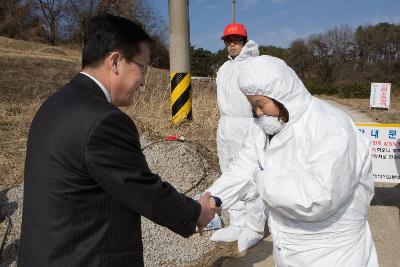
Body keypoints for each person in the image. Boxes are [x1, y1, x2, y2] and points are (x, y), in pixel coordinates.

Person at [18, 15, 218, 267]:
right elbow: (142, 189)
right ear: (115, 61)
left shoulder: (54, 105)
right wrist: (197, 213)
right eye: (143, 68)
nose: (144, 80)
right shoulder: (104, 120)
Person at [208, 55, 379, 266]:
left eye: (261, 104)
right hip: (288, 248)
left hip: (333, 252)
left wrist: (262, 182)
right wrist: (214, 197)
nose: (258, 112)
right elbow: (245, 165)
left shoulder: (329, 125)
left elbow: (320, 197)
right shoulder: (265, 125)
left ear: (281, 94)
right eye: (253, 106)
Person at [212, 22, 266, 251]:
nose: (232, 44)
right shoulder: (224, 68)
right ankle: (237, 222)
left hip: (248, 124)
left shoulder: (255, 64)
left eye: (236, 40)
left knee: (251, 177)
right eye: (228, 41)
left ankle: (254, 227)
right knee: (229, 173)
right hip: (226, 125)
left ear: (244, 41)